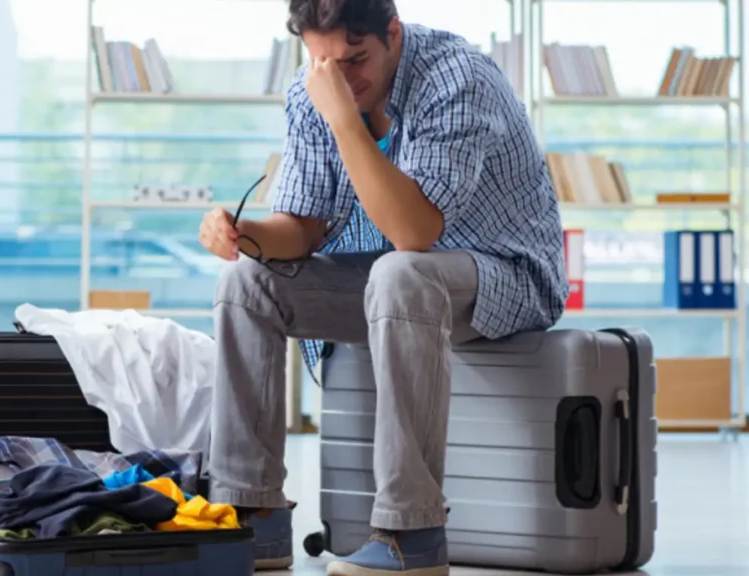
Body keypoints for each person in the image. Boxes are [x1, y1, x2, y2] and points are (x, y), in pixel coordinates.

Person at [198, 0, 567, 574]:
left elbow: (412, 231)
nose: (340, 77)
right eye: (324, 62)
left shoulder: (458, 78)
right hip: (402, 285)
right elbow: (304, 227)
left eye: (356, 60)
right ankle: (252, 518)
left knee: (401, 270)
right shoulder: (311, 88)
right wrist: (243, 234)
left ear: (392, 32)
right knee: (246, 281)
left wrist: (343, 119)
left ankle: (410, 535)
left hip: (509, 274)